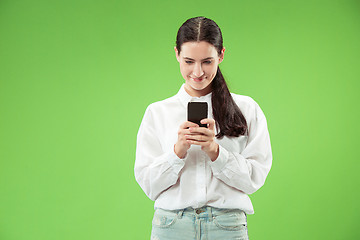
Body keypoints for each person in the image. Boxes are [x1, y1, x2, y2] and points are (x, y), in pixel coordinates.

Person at [134, 16, 272, 240]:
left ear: (221, 55)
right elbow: (149, 185)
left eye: (207, 61)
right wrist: (177, 151)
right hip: (171, 226)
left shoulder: (246, 108)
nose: (197, 72)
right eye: (189, 61)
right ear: (177, 54)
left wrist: (215, 152)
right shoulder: (157, 112)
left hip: (227, 226)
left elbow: (254, 179)